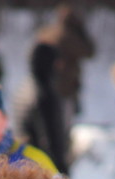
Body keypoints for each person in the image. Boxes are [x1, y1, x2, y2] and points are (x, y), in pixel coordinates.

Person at [36, 4, 96, 167]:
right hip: (65, 88)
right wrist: (81, 31)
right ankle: (60, 162)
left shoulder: (48, 32)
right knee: (61, 132)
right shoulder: (69, 36)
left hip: (45, 87)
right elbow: (90, 51)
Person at [11, 42, 68, 175]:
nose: (59, 67)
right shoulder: (43, 93)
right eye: (56, 62)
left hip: (22, 157)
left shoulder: (24, 86)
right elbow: (49, 137)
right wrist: (60, 169)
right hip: (40, 164)